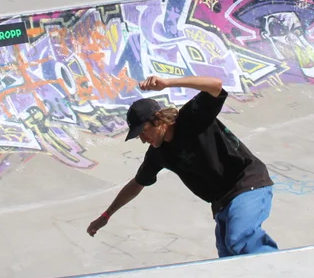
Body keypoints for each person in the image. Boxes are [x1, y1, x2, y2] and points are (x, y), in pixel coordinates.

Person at [86, 75, 279, 258]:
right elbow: (137, 184)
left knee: (239, 238)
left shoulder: (191, 118)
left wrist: (168, 83)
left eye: (144, 132)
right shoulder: (157, 154)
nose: (144, 140)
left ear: (158, 120)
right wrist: (106, 215)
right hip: (221, 202)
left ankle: (281, 273)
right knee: (228, 259)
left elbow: (216, 85)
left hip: (247, 183)